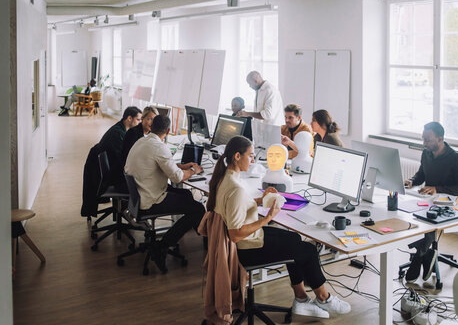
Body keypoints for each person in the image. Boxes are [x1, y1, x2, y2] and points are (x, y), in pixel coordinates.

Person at [207, 135, 351, 318]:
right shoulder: (235, 188)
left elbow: (237, 206)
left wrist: (260, 200)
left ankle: (301, 299)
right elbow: (235, 234)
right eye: (250, 155)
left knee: (295, 238)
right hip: (247, 249)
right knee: (307, 250)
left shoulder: (226, 178)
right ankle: (324, 297)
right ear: (237, 156)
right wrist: (268, 218)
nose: (253, 160)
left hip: (248, 240)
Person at [124, 115, 205, 271]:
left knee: (187, 196)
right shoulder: (160, 147)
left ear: (151, 126)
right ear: (168, 131)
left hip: (139, 194)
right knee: (198, 209)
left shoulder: (142, 141)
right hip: (151, 199)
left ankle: (195, 231)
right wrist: (194, 170)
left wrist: (181, 165)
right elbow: (178, 178)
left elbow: (159, 163)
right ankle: (162, 245)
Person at [403, 121, 458, 283]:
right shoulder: (426, 153)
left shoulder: (455, 159)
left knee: (428, 219)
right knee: (407, 215)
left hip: (448, 205)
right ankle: (426, 253)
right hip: (429, 201)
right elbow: (421, 175)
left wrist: (437, 189)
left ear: (440, 139)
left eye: (428, 140)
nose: (424, 143)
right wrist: (412, 181)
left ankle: (420, 255)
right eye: (423, 139)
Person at [99, 106, 142, 186]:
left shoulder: (122, 129)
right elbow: (124, 157)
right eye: (138, 120)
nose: (140, 123)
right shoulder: (118, 133)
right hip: (114, 173)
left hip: (113, 167)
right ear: (129, 118)